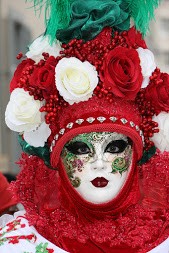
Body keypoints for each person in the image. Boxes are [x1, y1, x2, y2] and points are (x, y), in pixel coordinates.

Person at [0, 0, 169, 252]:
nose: (99, 163)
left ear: (137, 152)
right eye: (80, 148)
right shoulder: (18, 243)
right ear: (56, 156)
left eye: (115, 147)